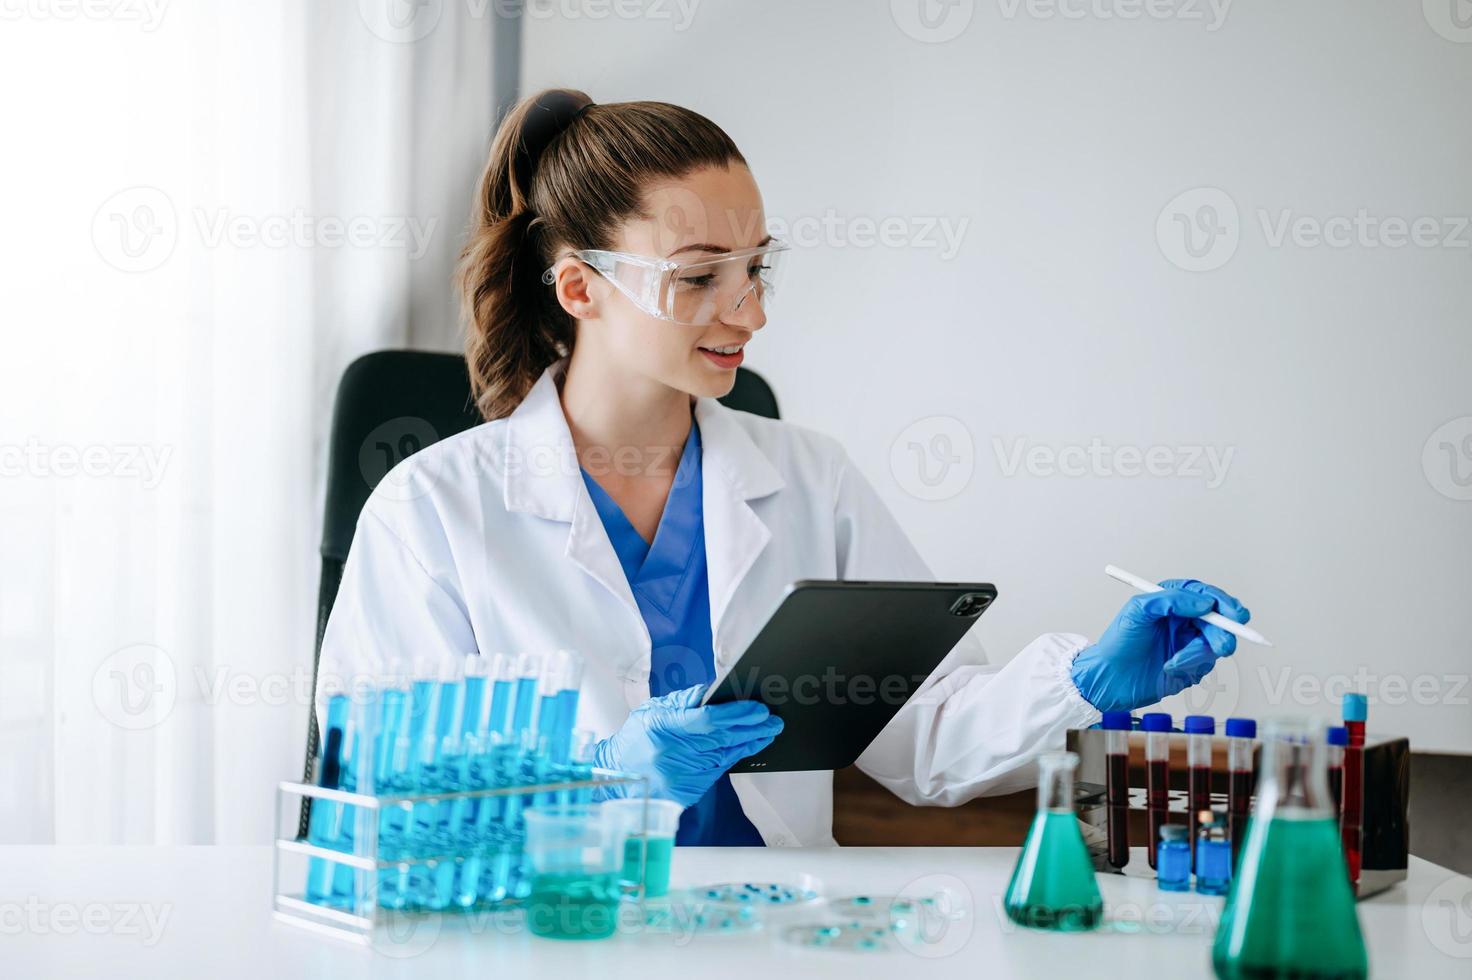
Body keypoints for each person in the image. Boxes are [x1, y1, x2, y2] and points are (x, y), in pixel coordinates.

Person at [315, 88, 1251, 847]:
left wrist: (1081, 681)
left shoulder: (812, 480)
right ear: (578, 289)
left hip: (776, 935)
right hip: (554, 937)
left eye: (757, 269)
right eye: (699, 277)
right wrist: (601, 778)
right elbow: (381, 800)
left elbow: (926, 737)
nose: (750, 313)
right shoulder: (432, 510)